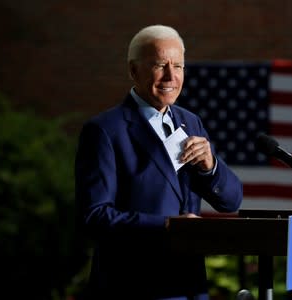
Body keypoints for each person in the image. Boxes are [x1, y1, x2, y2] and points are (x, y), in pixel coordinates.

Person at [74, 24, 243, 299]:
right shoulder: (104, 130)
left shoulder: (191, 122)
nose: (170, 76)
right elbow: (94, 216)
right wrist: (167, 225)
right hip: (131, 286)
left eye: (178, 66)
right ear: (133, 70)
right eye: (159, 64)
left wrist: (210, 166)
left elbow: (231, 201)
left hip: (187, 286)